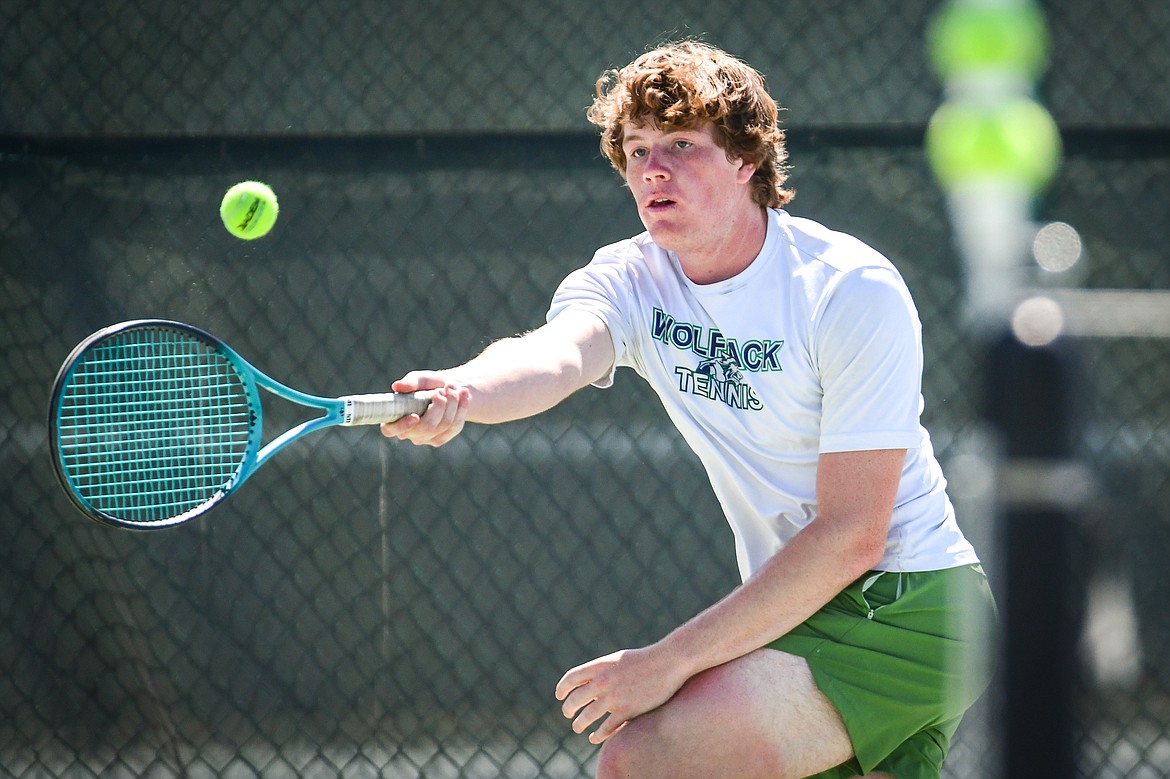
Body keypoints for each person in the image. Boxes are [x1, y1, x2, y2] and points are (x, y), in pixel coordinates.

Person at [381, 40, 997, 779]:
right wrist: (464, 391)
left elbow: (852, 535)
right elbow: (556, 355)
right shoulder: (629, 279)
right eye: (637, 150)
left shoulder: (848, 289)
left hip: (910, 606)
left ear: (746, 160)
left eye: (681, 144)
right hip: (801, 607)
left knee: (642, 760)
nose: (653, 170)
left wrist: (666, 662)